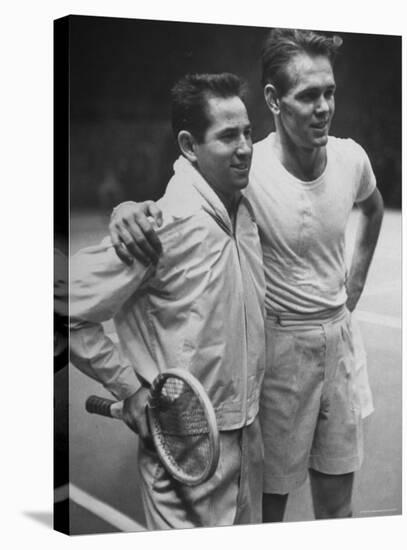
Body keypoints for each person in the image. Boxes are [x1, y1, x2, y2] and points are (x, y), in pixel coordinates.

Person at [109, 28, 384, 522]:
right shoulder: (246, 166)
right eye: (308, 95)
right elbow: (178, 199)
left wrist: (355, 281)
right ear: (275, 100)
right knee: (267, 513)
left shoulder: (352, 158)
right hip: (279, 356)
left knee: (338, 507)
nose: (323, 107)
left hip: (340, 344)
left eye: (330, 92)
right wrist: (127, 209)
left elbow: (373, 206)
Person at [69, 73, 266, 530]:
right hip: (183, 453)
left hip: (246, 443)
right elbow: (63, 305)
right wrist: (131, 391)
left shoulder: (245, 205)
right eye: (228, 136)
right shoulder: (161, 227)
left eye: (248, 133)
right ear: (188, 145)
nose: (245, 148)